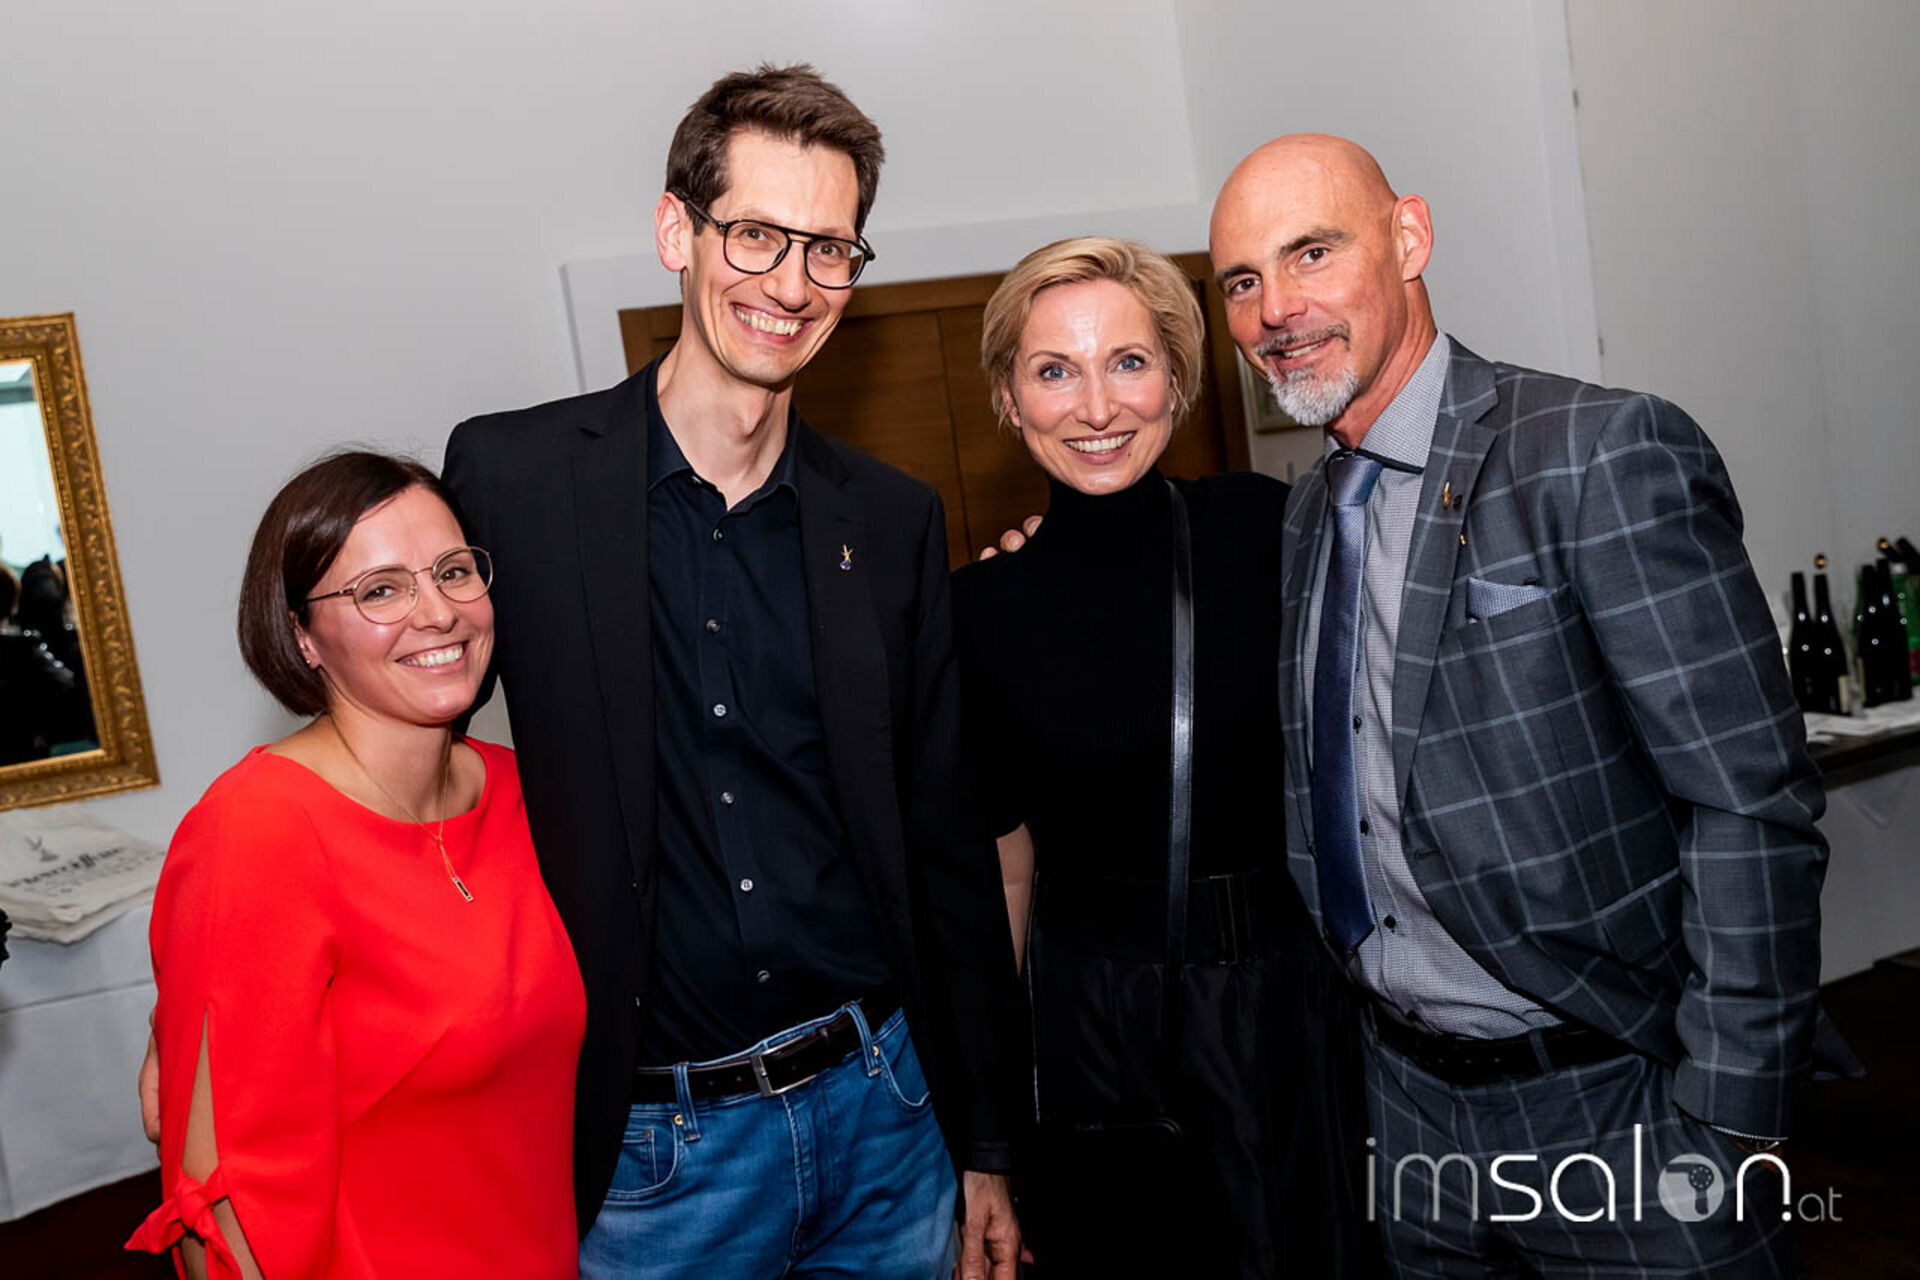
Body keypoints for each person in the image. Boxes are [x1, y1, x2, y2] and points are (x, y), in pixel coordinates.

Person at [1207, 133, 1853, 1275]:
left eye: (1312, 252)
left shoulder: (1594, 454)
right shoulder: (1310, 514)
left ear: (1410, 237)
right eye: (1242, 281)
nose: (1276, 309)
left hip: (1624, 1095)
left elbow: (1749, 803)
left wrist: (1732, 1112)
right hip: (1409, 1111)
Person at [442, 65, 1026, 1279]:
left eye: (830, 249)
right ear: (678, 232)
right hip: (656, 1155)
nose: (791, 284)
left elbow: (945, 846)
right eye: (756, 234)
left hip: (886, 1115)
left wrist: (986, 1141)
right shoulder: (514, 480)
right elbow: (404, 742)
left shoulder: (892, 520)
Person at [951, 237, 1375, 1278]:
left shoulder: (1266, 528)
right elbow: (1005, 874)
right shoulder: (977, 611)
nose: (1097, 407)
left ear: (1177, 381)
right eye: (1055, 371)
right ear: (1009, 398)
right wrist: (992, 1133)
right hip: (1100, 1027)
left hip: (1296, 1003)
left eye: (1129, 362)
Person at [126, 452, 583, 1278]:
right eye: (381, 590)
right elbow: (217, 1193)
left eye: (453, 572)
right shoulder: (256, 830)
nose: (437, 613)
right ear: (302, 634)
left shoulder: (526, 793)